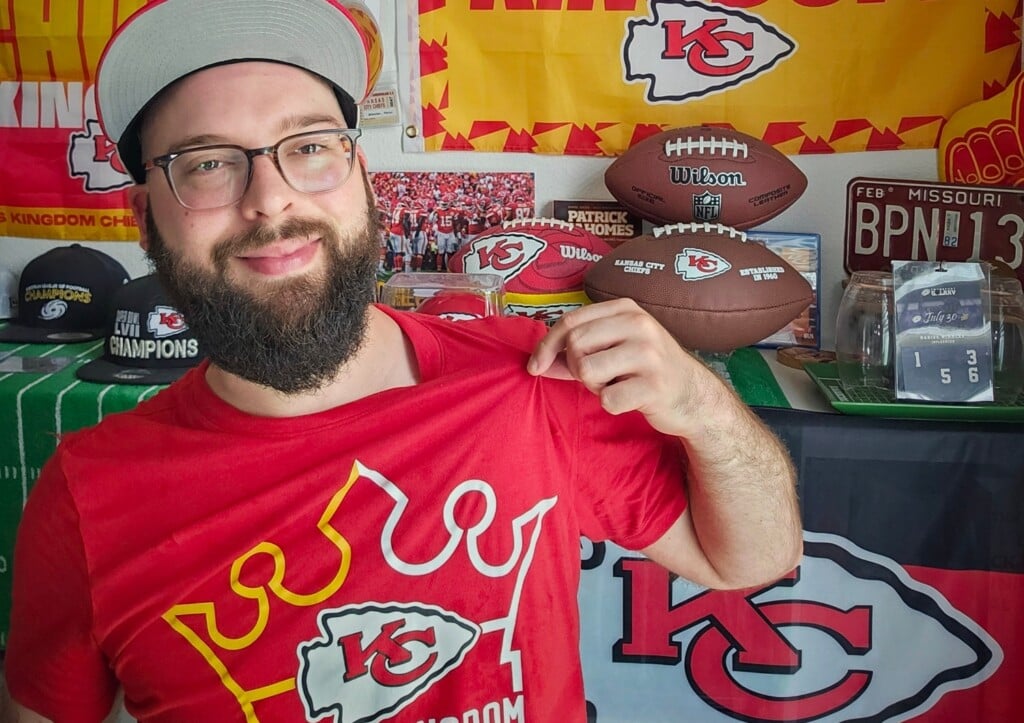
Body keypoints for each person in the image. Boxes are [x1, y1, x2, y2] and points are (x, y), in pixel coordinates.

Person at [1, 1, 802, 721]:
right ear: (145, 216)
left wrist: (702, 406)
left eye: (309, 146)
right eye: (209, 163)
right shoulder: (88, 496)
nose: (271, 198)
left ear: (362, 179)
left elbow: (755, 560)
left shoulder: (529, 381)